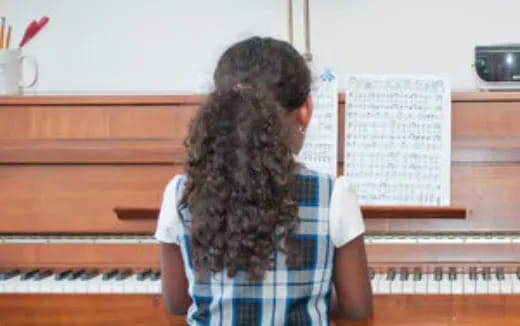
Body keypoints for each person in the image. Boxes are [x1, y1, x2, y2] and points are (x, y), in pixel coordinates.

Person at [155, 36, 372, 325]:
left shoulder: (180, 192)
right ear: (305, 110)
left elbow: (177, 302)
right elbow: (357, 306)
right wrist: (314, 296)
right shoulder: (334, 194)